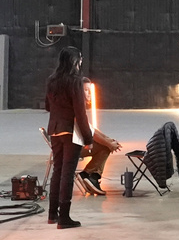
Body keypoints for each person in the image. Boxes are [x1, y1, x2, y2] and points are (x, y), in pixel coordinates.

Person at [45, 47, 94, 229]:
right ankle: (64, 218)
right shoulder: (75, 82)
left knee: (57, 171)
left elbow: (47, 106)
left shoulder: (51, 80)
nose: (80, 63)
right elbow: (80, 113)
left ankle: (52, 214)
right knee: (67, 173)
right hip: (70, 131)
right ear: (75, 61)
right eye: (80, 60)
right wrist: (88, 139)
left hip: (54, 130)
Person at [76, 78, 122, 196]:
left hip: (75, 144)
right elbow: (91, 134)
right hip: (72, 148)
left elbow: (92, 129)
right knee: (105, 147)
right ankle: (90, 176)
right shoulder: (76, 109)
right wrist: (109, 144)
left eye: (89, 90)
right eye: (86, 90)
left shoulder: (79, 107)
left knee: (105, 144)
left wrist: (109, 140)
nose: (89, 93)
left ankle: (89, 176)